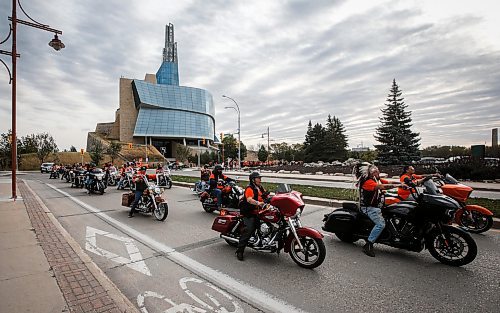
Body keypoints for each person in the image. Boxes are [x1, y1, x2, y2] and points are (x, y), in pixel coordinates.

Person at [359, 164, 404, 257]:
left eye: (378, 170)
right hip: (369, 208)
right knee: (381, 224)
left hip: (377, 206)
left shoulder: (376, 179)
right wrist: (399, 185)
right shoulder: (368, 182)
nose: (378, 172)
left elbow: (387, 182)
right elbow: (383, 186)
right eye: (375, 171)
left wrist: (407, 184)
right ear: (370, 174)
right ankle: (368, 244)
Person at [236, 172, 268, 261]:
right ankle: (240, 251)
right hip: (249, 212)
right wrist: (258, 203)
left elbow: (266, 195)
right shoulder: (249, 188)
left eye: (260, 178)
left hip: (259, 211)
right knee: (249, 229)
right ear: (253, 179)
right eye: (258, 178)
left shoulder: (260, 187)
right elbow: (249, 199)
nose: (260, 179)